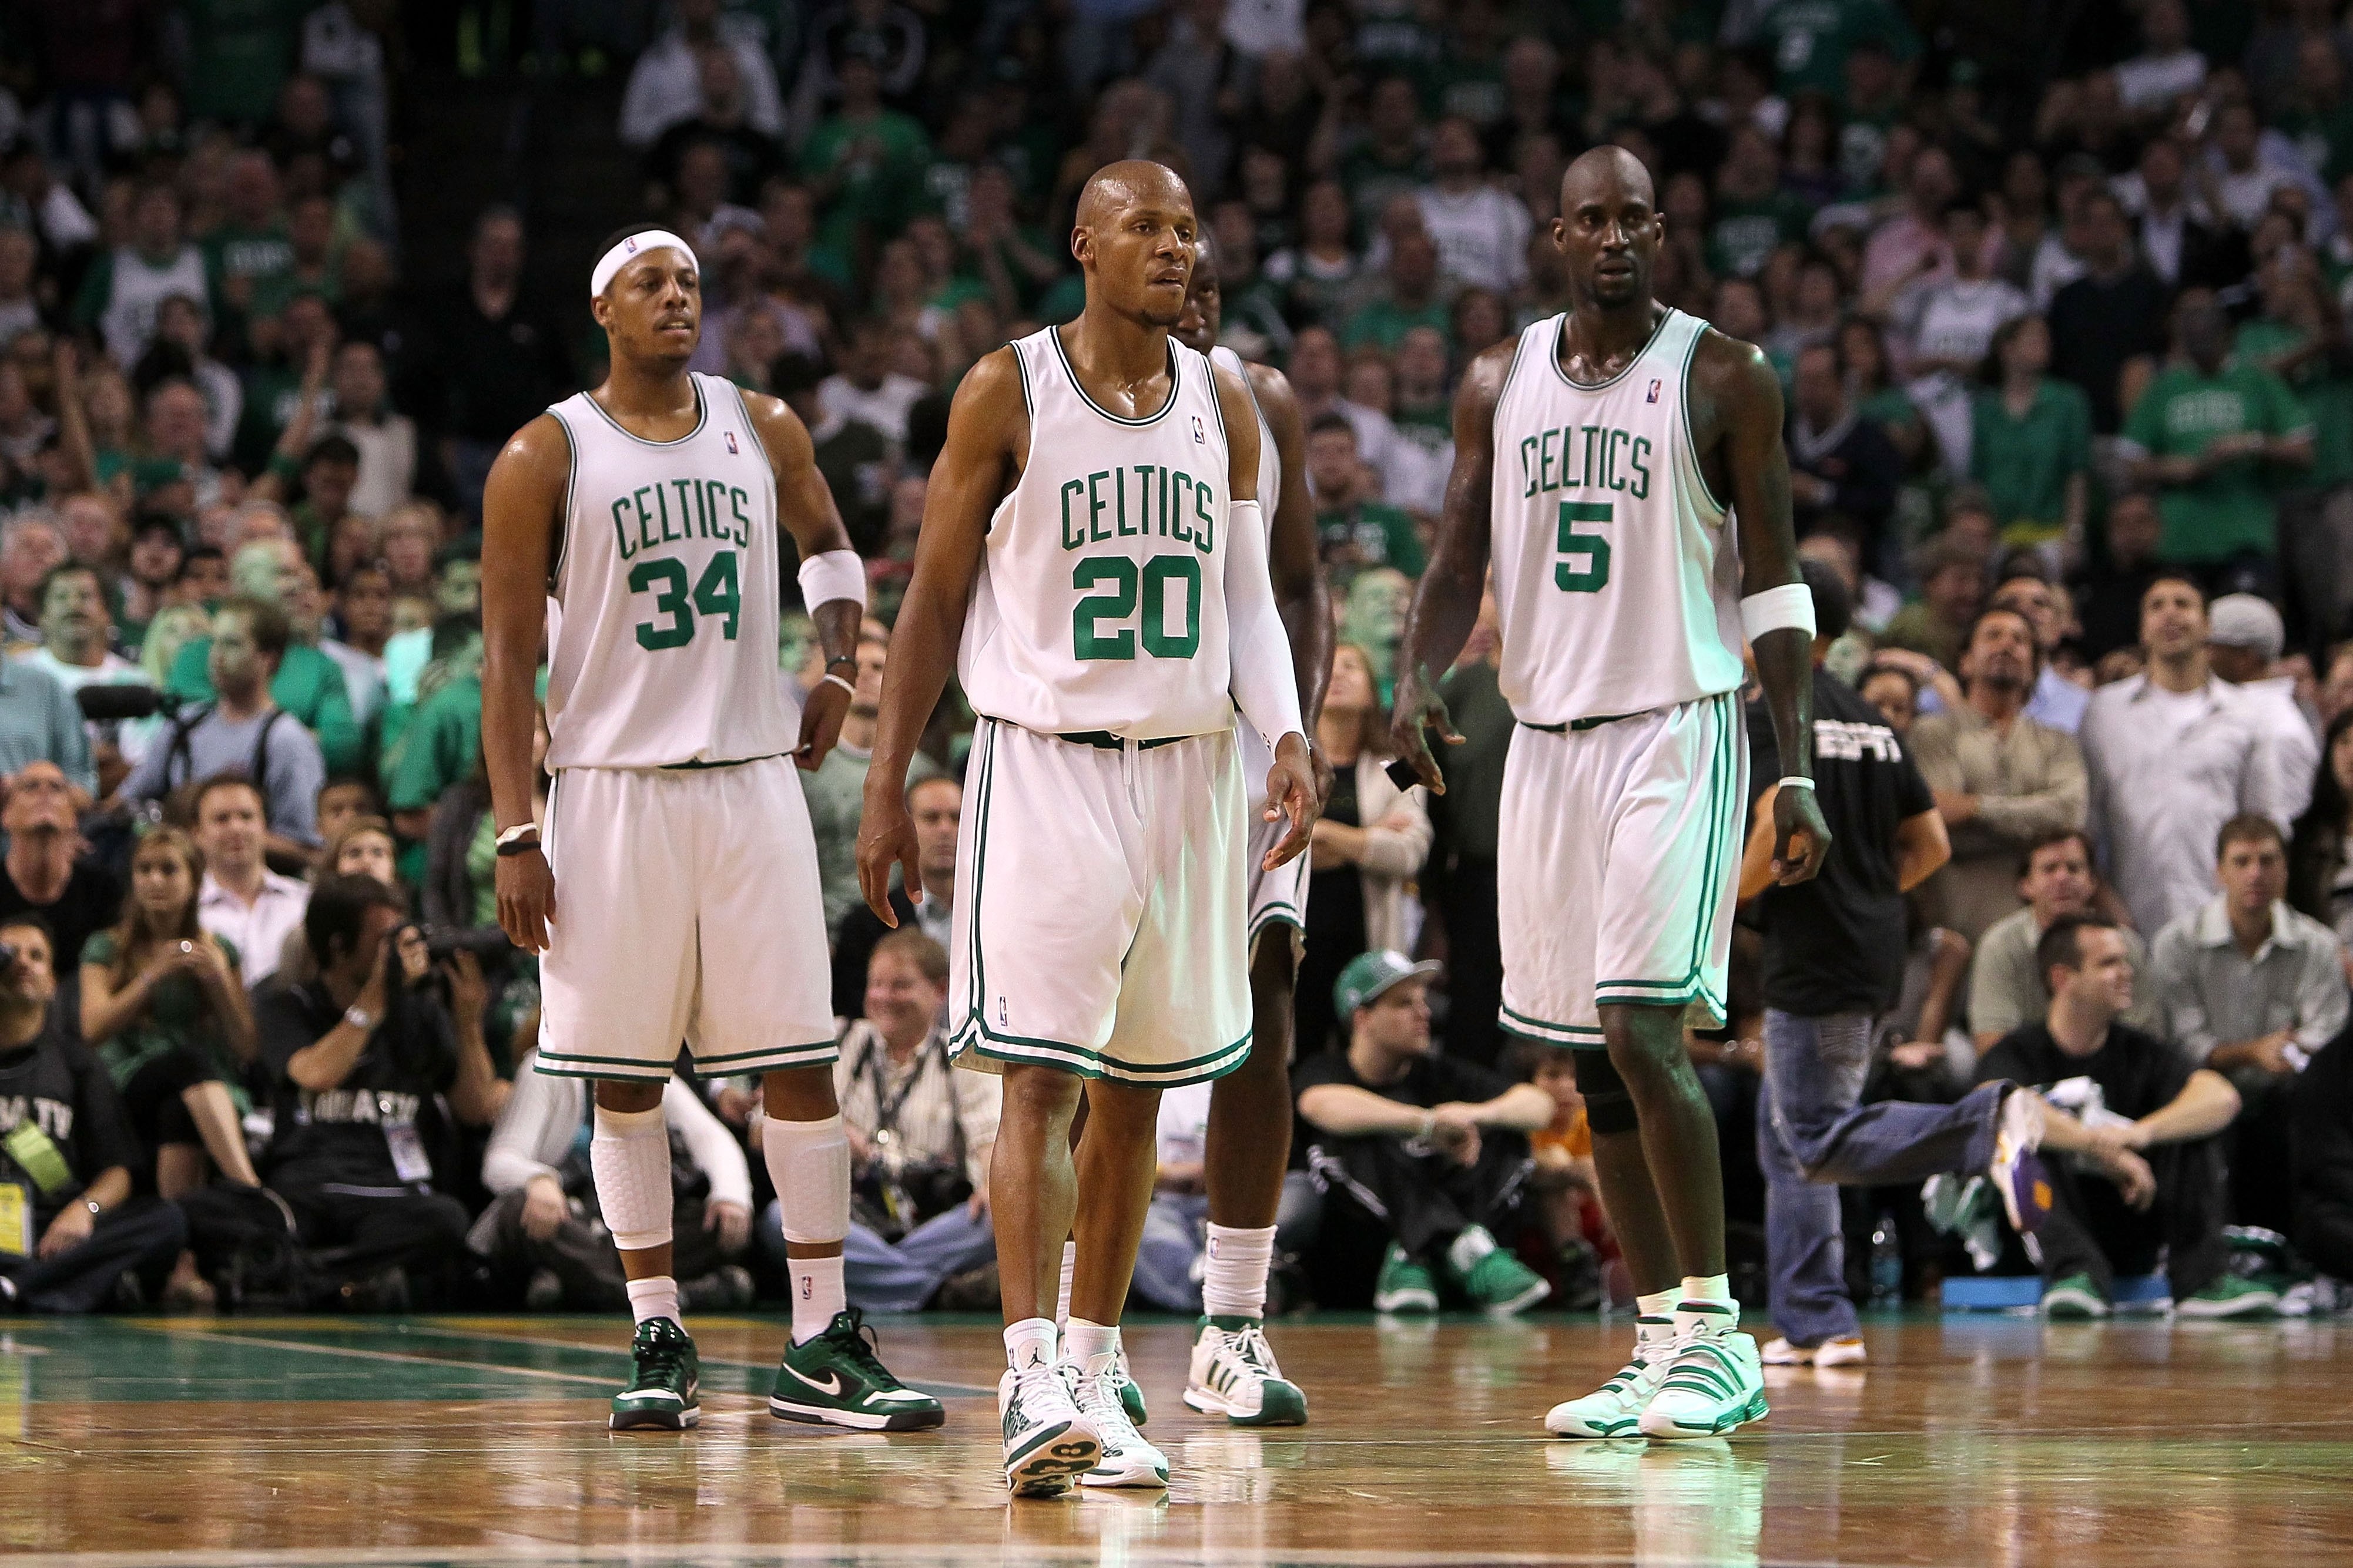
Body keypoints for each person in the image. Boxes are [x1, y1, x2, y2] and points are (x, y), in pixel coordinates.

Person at [854, 162, 1315, 1495]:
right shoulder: (1009, 387)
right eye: (1146, 227)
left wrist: (1282, 730)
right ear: (1083, 245)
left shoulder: (1223, 399)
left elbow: (1249, 603)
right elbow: (934, 597)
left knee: (1140, 1088)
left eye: (1187, 226)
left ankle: (1098, 1369)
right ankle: (1025, 1369)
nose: (1174, 246)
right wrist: (892, 778)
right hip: (1046, 761)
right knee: (1042, 1079)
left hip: (1187, 776)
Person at [1391, 146, 1830, 1442]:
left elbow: (1779, 581)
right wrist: (1421, 678)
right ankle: (1653, 1343)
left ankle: (1719, 1332)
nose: (1616, 236)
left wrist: (1792, 756)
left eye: (1637, 214)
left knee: (1644, 1026)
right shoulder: (1498, 378)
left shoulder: (1725, 375)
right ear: (1555, 236)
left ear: (1663, 228)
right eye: (1591, 219)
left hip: (1672, 727)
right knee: (1587, 1059)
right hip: (1543, 736)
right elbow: (1458, 545)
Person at [482, 225, 938, 1436]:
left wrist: (840, 663)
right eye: (651, 282)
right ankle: (657, 1326)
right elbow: (506, 663)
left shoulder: (764, 422)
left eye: (690, 282)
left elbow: (833, 547)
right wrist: (513, 829)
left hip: (750, 781)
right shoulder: (545, 453)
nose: (678, 298)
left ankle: (820, 1335)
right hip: (609, 787)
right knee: (624, 1074)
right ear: (603, 310)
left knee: (796, 1054)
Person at [1738, 561, 2050, 1368]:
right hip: (1869, 946)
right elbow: (1931, 845)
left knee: (1813, 1136)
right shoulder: (1871, 721)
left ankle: (1986, 1123)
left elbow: (1777, 821)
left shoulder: (1776, 711)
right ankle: (1817, 1320)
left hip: (1813, 954)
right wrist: (1868, 894)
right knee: (1787, 1141)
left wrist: (1722, 908)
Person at [1171, 234, 1334, 1428]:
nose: (1195, 301)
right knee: (1096, 1039)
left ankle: (1233, 1320)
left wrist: (1301, 726)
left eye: (1212, 285)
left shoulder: (1254, 394)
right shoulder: (1056, 398)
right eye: (1177, 276)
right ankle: (1078, 1324)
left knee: (1263, 1013)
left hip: (1249, 746)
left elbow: (1301, 581)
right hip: (1119, 745)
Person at [1977, 915, 2277, 1318]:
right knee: (2016, 1140)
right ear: (2063, 978)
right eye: (2109, 963)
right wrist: (2097, 1145)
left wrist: (2139, 1135)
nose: (2127, 972)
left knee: (2192, 1129)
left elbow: (2221, 1096)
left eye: (2125, 961)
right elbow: (1998, 1103)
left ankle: (2203, 1280)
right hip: (2047, 1230)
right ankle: (2075, 1273)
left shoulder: (2140, 1051)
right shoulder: (2018, 1052)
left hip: (2132, 1210)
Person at [257, 876, 500, 1308]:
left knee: (447, 1219)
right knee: (259, 1222)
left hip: (391, 1195)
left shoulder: (420, 1011)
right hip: (311, 1188)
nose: (402, 949)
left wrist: (467, 1022)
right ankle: (356, 1279)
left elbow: (476, 1107)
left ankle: (316, 1280)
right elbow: (314, 1073)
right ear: (338, 945)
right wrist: (372, 1003)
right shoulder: (289, 1005)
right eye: (386, 938)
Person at [1295, 951, 1553, 1314]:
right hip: (1360, 1254)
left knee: (1506, 1131)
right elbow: (1320, 1105)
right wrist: (1428, 1125)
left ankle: (1420, 1251)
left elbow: (1538, 1105)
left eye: (1423, 1002)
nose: (1425, 1013)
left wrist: (1476, 1115)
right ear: (1362, 1018)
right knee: (1349, 1136)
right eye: (1404, 1004)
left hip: (1445, 1247)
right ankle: (1457, 1248)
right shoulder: (1326, 1069)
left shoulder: (1439, 1073)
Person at [775, 932, 1001, 1314]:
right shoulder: (839, 1039)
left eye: (900, 985)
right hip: (851, 1214)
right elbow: (771, 1123)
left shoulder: (962, 1055)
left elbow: (990, 1137)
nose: (884, 997)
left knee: (1001, 1218)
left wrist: (993, 1186)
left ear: (940, 991)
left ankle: (875, 1279)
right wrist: (830, 1133)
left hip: (933, 1219)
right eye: (876, 985)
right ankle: (937, 1291)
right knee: (780, 1217)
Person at [2151, 815, 2348, 1236]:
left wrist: (2286, 1053)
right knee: (2200, 1100)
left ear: (2285, 870)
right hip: (2203, 1086)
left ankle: (2308, 1245)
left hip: (2287, 1089)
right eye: (2242, 861)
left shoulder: (2317, 945)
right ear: (2219, 872)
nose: (2255, 873)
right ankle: (2205, 1247)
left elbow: (2325, 1034)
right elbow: (2183, 1043)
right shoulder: (2176, 944)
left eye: (2267, 860)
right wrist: (2252, 1052)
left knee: (2314, 1099)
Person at [0, 916, 189, 1314]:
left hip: (53, 1228)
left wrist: (84, 1210)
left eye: (37, 957)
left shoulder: (76, 1062)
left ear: (53, 983)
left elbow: (117, 1171)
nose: (23, 963)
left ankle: (17, 1285)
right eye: (9, 954)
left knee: (164, 1219)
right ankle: (41, 1288)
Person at [2080, 575, 2287, 937]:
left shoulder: (2247, 715)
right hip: (2128, 919)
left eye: (2183, 604)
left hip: (2223, 919)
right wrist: (2105, 903)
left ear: (2207, 625)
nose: (2170, 615)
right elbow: (2086, 825)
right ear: (2143, 630)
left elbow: (2264, 821)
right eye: (2157, 606)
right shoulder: (2104, 713)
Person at [475, 1055, 755, 1315]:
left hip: (621, 1233)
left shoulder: (647, 1070)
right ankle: (672, 1298)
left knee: (715, 1221)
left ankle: (580, 1286)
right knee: (520, 1211)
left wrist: (730, 1196)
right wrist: (538, 1180)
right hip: (572, 1222)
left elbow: (713, 1139)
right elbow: (500, 1161)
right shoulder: (546, 1067)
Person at [1904, 606, 2088, 942]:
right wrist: (2031, 824)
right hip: (1955, 921)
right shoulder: (1932, 734)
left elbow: (2068, 815)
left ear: (2034, 667)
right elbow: (1939, 822)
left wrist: (1974, 808)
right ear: (1966, 662)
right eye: (1992, 636)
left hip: (2041, 927)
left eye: (2019, 640)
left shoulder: (2058, 742)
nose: (2006, 645)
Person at [1295, 643, 1430, 1059]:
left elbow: (1410, 850)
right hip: (1299, 936)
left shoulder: (1398, 766)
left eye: (1352, 666)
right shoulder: (1288, 763)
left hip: (1369, 934)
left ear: (1374, 690)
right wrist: (1369, 836)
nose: (1338, 675)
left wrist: (1321, 834)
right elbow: (1272, 849)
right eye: (1328, 666)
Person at [119, 596, 330, 854]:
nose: (216, 655)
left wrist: (222, 837)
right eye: (214, 642)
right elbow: (128, 799)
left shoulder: (285, 739)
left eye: (232, 644)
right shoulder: (185, 724)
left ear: (268, 659)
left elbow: (306, 849)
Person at [1970, 830, 2162, 1052]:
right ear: (2026, 885)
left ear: (2092, 883)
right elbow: (1992, 1044)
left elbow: (2146, 1036)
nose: (2062, 878)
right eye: (2049, 869)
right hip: (2029, 1074)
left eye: (2074, 868)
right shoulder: (2000, 946)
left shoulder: (2125, 945)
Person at [831, 773, 959, 1016]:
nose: (946, 829)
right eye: (932, 818)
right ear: (905, 829)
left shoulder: (999, 918)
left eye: (956, 818)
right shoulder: (866, 926)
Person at [0, 761, 121, 986]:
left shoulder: (104, 891)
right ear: (5, 815)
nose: (44, 793)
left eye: (57, 788)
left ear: (74, 818)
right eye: (31, 787)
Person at [2207, 594, 2321, 824]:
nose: (2200, 656)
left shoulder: (2278, 727)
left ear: (2245, 657)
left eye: (2210, 646)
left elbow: (2279, 822)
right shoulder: (2229, 708)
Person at [190, 775, 310, 992]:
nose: (236, 828)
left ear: (264, 826)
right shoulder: (187, 910)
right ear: (197, 833)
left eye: (247, 817)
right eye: (222, 819)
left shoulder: (305, 900)